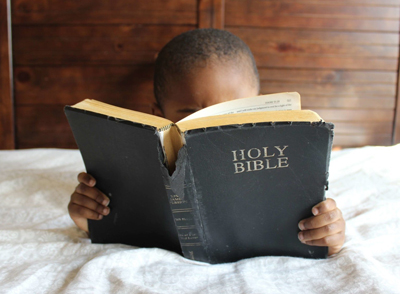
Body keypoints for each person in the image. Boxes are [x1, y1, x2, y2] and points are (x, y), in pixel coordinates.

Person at [68, 28, 345, 256]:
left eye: (234, 111)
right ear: (158, 115)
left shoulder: (286, 165)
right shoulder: (136, 168)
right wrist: (90, 218)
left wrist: (327, 234)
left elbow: (320, 232)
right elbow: (112, 222)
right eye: (192, 115)